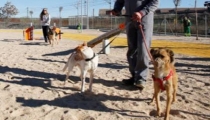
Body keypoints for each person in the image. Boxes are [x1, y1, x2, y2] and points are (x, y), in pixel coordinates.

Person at [111, 0, 159, 89]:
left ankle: (141, 78)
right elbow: (120, 1)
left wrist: (142, 12)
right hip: (130, 20)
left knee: (142, 49)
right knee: (131, 50)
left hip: (144, 20)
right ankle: (134, 76)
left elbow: (155, 2)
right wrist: (117, 9)